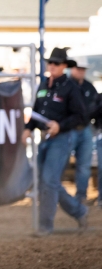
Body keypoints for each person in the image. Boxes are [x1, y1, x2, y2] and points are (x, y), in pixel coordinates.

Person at [21, 47, 88, 237]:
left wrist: (61, 125)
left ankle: (45, 226)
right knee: (48, 182)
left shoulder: (71, 88)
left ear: (64, 66)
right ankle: (79, 211)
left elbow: (80, 116)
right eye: (50, 62)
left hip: (61, 138)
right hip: (45, 139)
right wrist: (28, 128)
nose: (52, 66)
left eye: (56, 63)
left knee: (49, 181)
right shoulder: (43, 85)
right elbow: (36, 112)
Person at [67, 57, 97, 205]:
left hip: (84, 128)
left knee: (84, 166)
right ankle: (59, 196)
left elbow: (96, 106)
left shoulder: (89, 87)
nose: (80, 72)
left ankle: (81, 197)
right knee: (60, 162)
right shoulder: (66, 85)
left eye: (82, 69)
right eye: (78, 69)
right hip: (68, 129)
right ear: (72, 69)